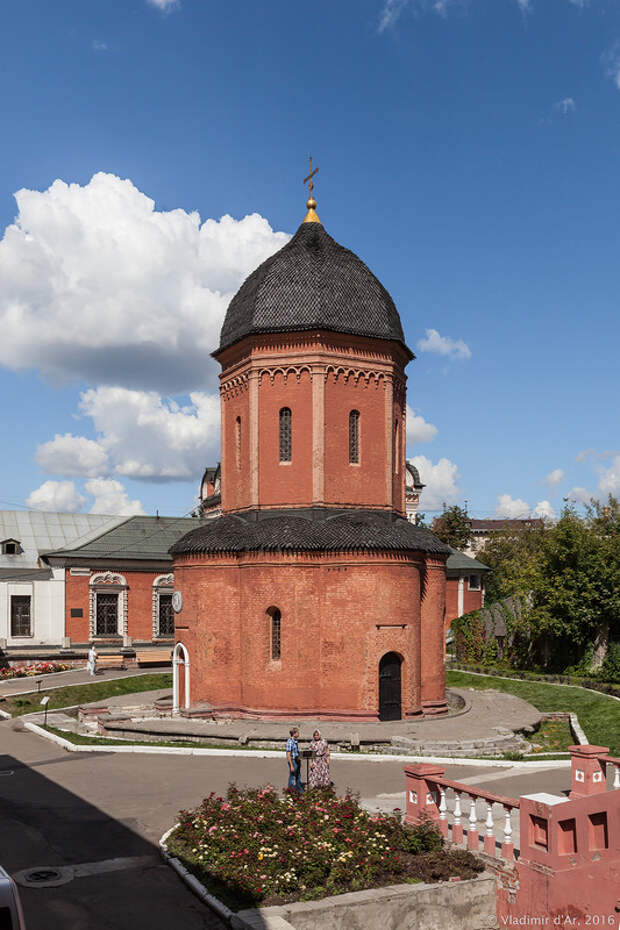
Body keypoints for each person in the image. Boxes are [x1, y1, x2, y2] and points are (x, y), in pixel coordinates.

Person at [285, 726, 302, 792]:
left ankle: (298, 789)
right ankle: (291, 790)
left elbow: (296, 752)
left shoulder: (295, 741)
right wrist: (291, 765)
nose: (298, 734)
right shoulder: (290, 742)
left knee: (298, 775)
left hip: (297, 760)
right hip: (293, 761)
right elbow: (288, 754)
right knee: (292, 776)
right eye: (298, 732)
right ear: (294, 733)